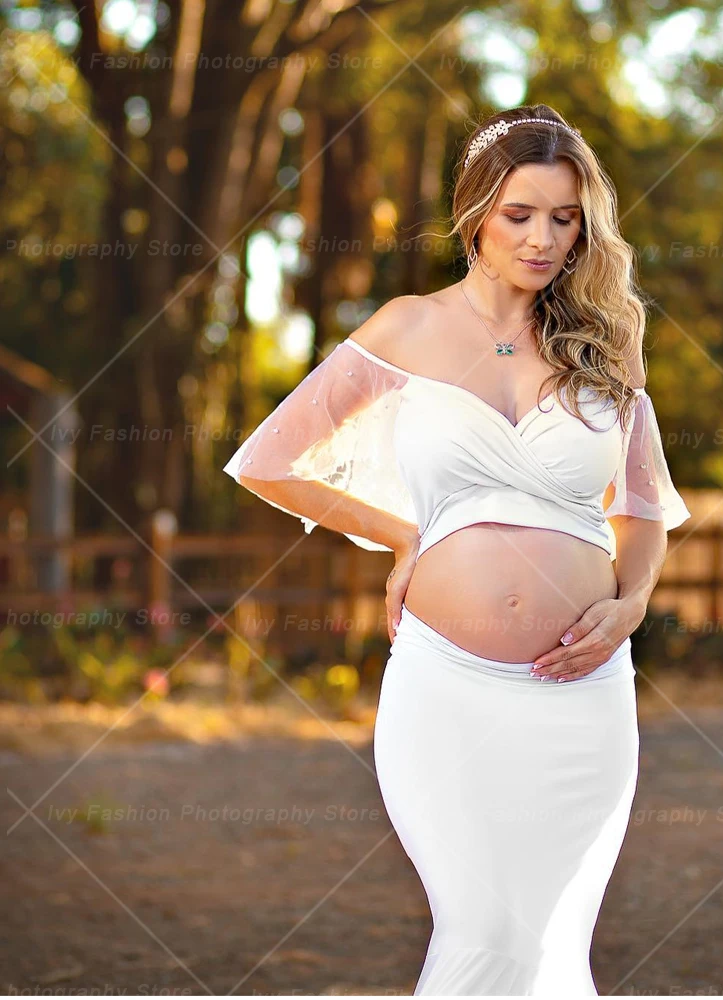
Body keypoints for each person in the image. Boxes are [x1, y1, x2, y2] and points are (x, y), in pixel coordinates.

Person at [224, 104, 691, 996]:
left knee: (551, 939)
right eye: (521, 214)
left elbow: (641, 507)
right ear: (476, 213)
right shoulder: (404, 327)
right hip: (446, 693)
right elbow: (269, 460)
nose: (544, 238)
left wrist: (630, 606)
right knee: (482, 929)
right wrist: (408, 535)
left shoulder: (605, 340)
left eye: (565, 218)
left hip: (581, 696)